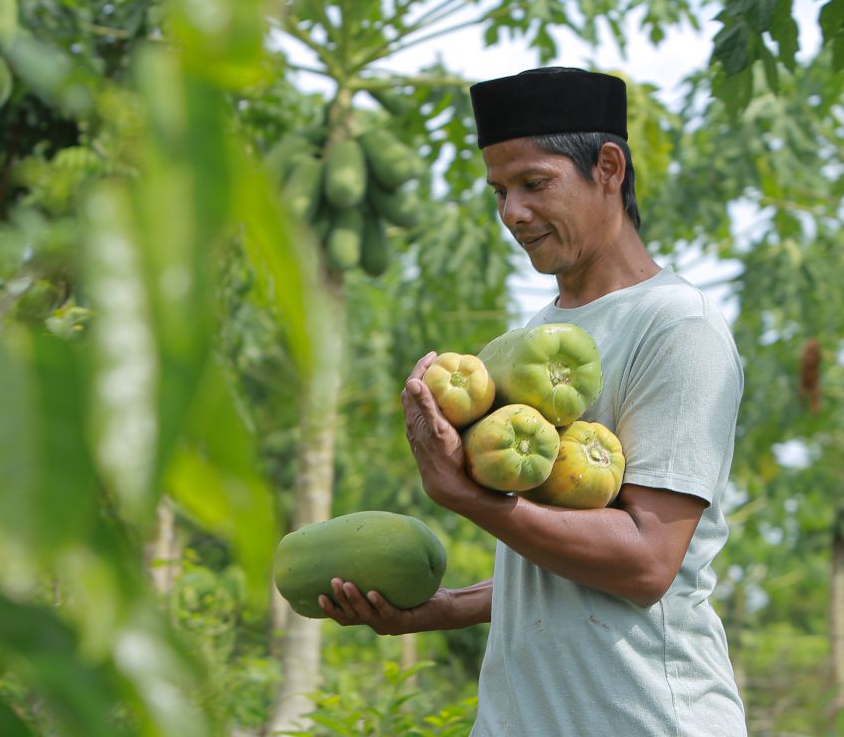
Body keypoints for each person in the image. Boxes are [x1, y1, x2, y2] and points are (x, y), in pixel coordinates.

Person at [320, 67, 748, 736]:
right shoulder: (528, 340)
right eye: (499, 190)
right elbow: (564, 572)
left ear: (608, 167)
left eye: (534, 183)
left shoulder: (675, 326)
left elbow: (645, 562)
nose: (512, 212)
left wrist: (468, 498)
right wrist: (449, 606)